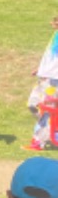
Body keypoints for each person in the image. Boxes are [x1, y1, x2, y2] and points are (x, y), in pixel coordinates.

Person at [27, 17, 58, 150]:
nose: (52, 23)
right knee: (32, 105)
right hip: (44, 77)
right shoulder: (55, 35)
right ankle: (53, 131)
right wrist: (40, 69)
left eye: (56, 21)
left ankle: (39, 141)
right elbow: (50, 58)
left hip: (54, 80)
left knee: (47, 110)